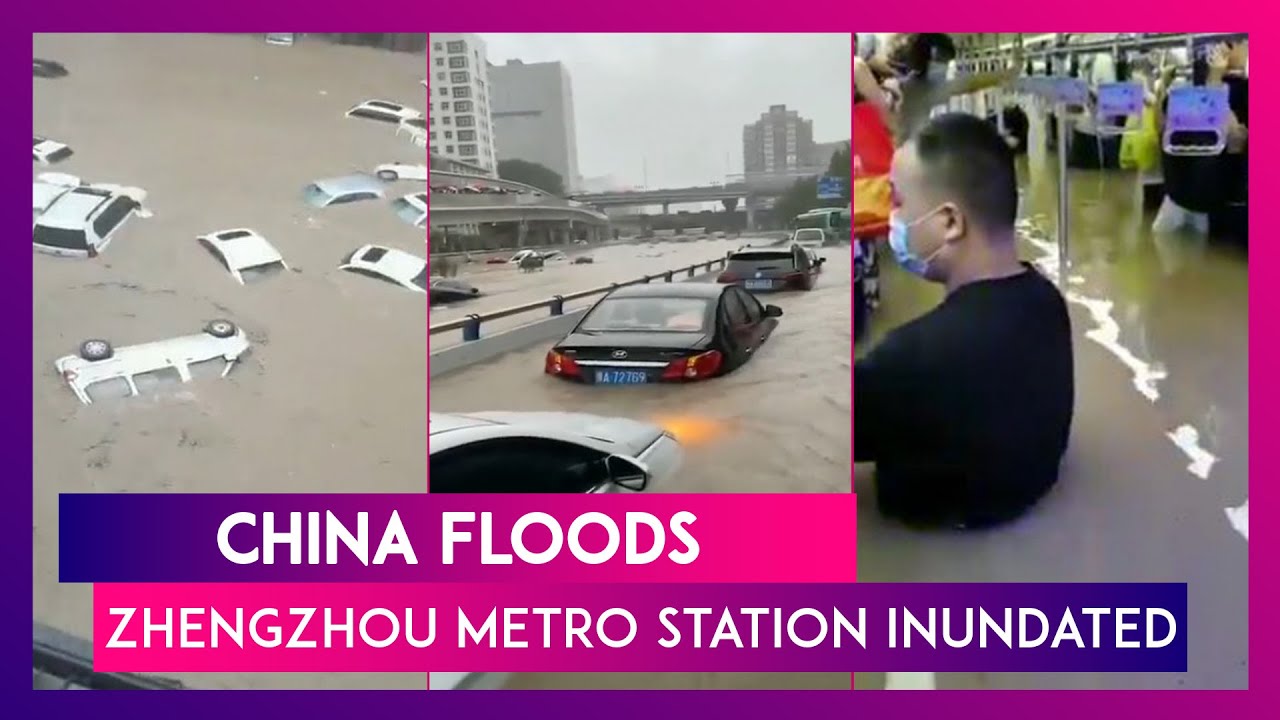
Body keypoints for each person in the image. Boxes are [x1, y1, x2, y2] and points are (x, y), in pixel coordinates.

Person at [854, 113, 1075, 529]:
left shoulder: (907, 359)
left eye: (899, 201)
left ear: (950, 222)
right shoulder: (1049, 302)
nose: (891, 218)